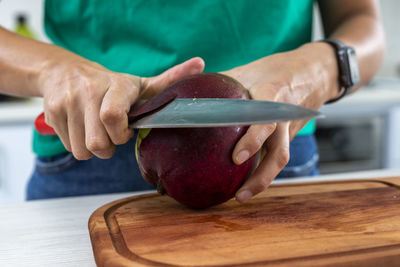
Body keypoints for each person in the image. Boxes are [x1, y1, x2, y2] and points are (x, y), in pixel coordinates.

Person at [0, 0, 384, 203]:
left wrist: (317, 69)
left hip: (269, 154)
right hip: (86, 153)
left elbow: (363, 22)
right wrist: (53, 70)